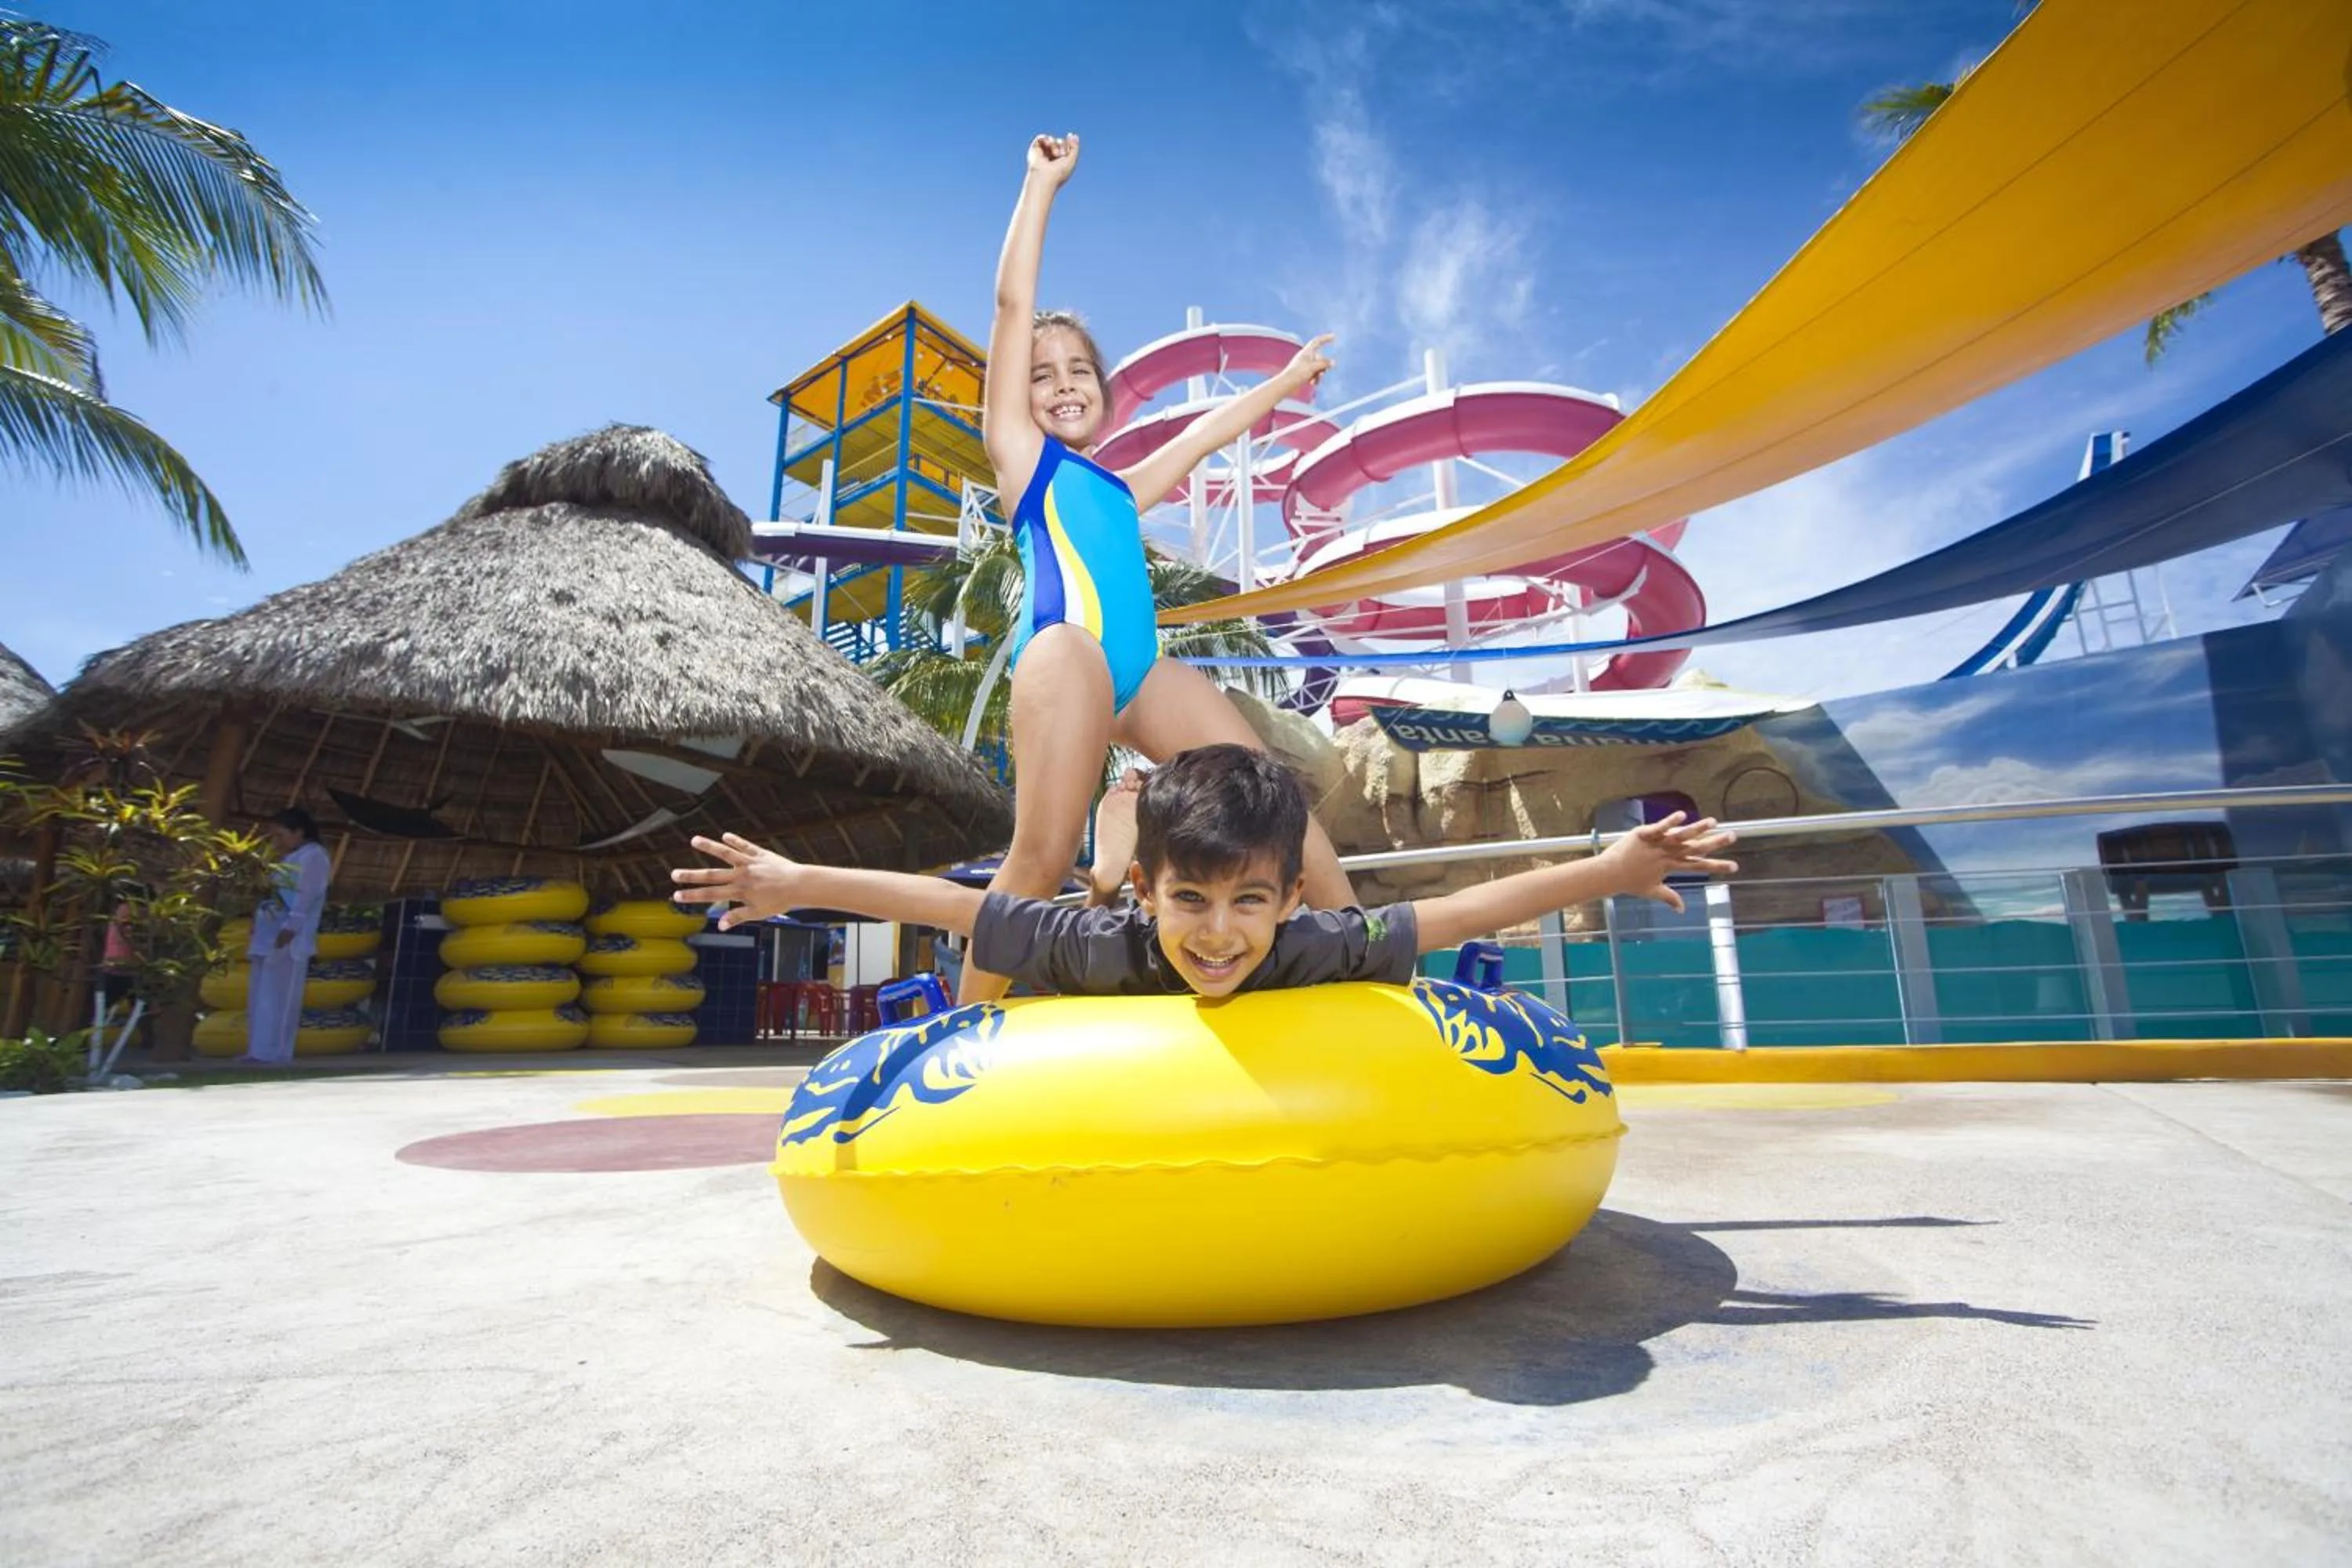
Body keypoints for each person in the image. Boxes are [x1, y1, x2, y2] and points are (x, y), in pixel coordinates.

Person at [960, 130, 1356, 1004]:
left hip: (1142, 675)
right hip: (1071, 659)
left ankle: (1363, 973)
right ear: (1015, 397)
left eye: (1080, 371)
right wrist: (1041, 185)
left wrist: (1285, 382)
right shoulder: (1025, 459)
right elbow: (1008, 304)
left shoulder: (1118, 486)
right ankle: (960, 1032)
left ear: (1103, 388)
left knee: (1282, 804)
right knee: (1043, 852)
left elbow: (1204, 433)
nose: (1064, 383)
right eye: (1041, 373)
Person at [673, 746, 1737, 1001]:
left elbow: (1456, 910)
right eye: (1190, 900)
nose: (1219, 933)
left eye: (1248, 903)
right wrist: (794, 879)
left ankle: (1122, 813)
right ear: (1149, 895)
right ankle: (1116, 821)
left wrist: (1605, 867)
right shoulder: (1099, 939)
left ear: (1288, 899)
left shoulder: (1314, 945)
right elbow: (960, 907)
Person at [238, 808, 331, 1066]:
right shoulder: (289, 859)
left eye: (280, 835)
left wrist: (291, 928)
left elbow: (305, 896)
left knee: (280, 997)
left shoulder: (313, 856)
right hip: (269, 934)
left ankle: (276, 1053)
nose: (276, 842)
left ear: (298, 832)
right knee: (261, 996)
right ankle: (257, 1050)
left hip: (289, 937)